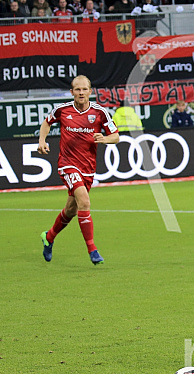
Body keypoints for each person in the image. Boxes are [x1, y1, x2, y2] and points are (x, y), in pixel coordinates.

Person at [38, 75, 119, 265]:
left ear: (90, 91)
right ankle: (93, 250)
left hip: (88, 168)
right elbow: (46, 122)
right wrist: (42, 141)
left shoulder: (100, 113)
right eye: (77, 89)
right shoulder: (62, 110)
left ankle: (48, 237)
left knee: (71, 209)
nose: (81, 93)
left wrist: (104, 139)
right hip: (67, 163)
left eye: (84, 89)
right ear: (72, 92)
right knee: (84, 200)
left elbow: (116, 136)